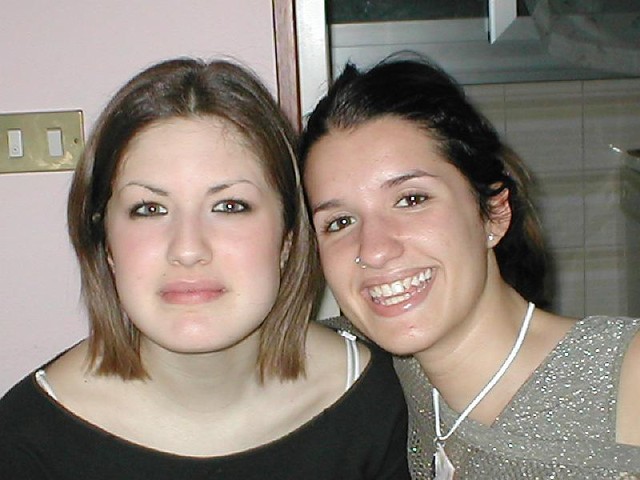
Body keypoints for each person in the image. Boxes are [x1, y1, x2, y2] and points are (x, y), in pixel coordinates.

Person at [0, 58, 411, 479]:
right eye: (149, 209)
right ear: (105, 243)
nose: (188, 249)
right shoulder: (24, 442)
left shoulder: (379, 401)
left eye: (229, 206)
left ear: (288, 237)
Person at [299, 54, 640, 479]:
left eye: (411, 199)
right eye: (340, 222)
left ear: (493, 214)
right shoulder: (374, 371)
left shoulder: (624, 379)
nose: (375, 250)